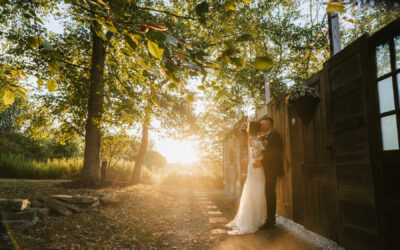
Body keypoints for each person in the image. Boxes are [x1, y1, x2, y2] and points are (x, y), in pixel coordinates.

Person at [225, 120, 267, 235]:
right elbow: (255, 154)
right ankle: (254, 220)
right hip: (257, 165)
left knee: (253, 191)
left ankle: (253, 218)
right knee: (257, 191)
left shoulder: (252, 137)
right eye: (261, 124)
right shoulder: (256, 138)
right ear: (258, 127)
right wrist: (263, 147)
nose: (262, 125)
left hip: (253, 166)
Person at [258, 116, 284, 230]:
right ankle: (269, 219)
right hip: (268, 169)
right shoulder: (267, 135)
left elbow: (273, 154)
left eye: (263, 124)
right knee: (268, 194)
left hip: (271, 169)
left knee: (270, 195)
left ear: (269, 124)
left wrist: (260, 161)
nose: (262, 126)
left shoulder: (274, 135)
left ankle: (271, 221)